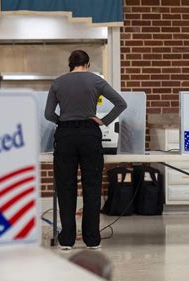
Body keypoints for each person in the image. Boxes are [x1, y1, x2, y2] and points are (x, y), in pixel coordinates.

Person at [45, 50, 127, 250]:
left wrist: (62, 121)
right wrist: (103, 121)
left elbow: (48, 114)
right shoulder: (96, 81)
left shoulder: (57, 83)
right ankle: (92, 239)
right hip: (90, 135)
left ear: (70, 64)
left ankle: (67, 240)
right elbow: (121, 103)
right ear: (88, 64)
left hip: (65, 136)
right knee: (92, 186)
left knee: (65, 187)